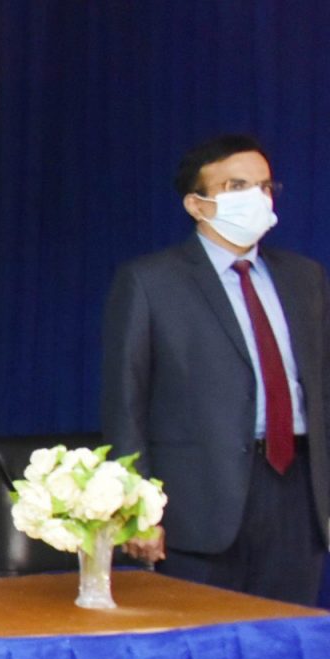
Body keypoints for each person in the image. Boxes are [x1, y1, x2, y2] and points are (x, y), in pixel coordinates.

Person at [102, 134, 329, 604]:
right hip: (199, 503)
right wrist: (137, 508)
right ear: (197, 204)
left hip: (298, 493)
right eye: (237, 186)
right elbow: (126, 402)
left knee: (288, 637)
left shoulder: (304, 277)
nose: (257, 199)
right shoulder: (151, 281)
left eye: (264, 187)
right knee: (204, 637)